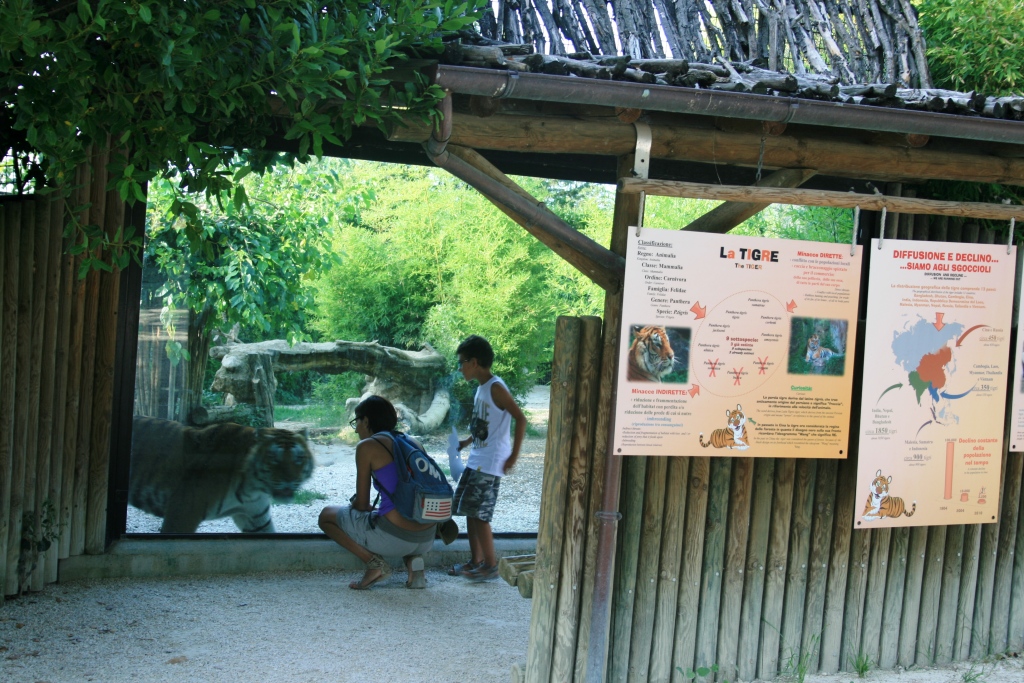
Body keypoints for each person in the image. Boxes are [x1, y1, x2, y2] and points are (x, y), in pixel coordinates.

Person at [318, 395, 437, 590]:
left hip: (395, 538)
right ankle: (415, 564)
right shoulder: (414, 442)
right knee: (405, 509)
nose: (356, 428)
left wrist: (355, 503)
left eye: (356, 421)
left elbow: (363, 505)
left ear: (366, 421)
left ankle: (375, 564)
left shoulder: (367, 446)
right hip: (427, 537)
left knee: (326, 516)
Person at [448, 335, 526, 582]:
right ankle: (476, 561)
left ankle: (491, 566)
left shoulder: (495, 387)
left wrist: (513, 455)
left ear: (475, 362)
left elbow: (520, 418)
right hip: (478, 457)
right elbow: (483, 425)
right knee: (470, 510)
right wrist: (466, 442)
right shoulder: (482, 389)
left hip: (490, 461)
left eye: (462, 362)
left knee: (480, 515)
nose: (460, 368)